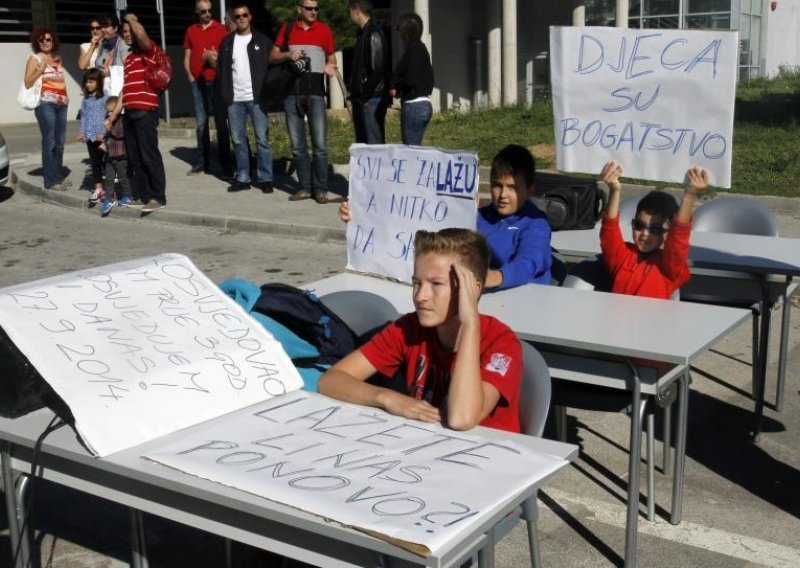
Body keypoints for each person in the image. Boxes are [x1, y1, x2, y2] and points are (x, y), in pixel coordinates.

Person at [319, 228, 523, 433]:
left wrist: (470, 324)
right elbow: (331, 381)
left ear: (472, 290)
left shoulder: (502, 343)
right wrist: (387, 398)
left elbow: (461, 419)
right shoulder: (409, 328)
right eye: (417, 283)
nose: (420, 296)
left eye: (436, 284)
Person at [339, 144, 553, 289]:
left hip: (522, 304)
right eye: (497, 186)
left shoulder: (536, 224)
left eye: (513, 188)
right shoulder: (477, 217)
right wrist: (364, 217)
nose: (503, 195)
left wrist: (491, 277)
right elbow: (426, 230)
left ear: (530, 190)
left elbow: (528, 263)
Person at [599, 160, 708, 299]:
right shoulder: (622, 256)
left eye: (655, 230)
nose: (645, 234)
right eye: (639, 226)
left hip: (652, 320)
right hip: (616, 319)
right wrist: (615, 190)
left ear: (667, 231)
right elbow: (609, 229)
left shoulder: (670, 266)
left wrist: (690, 194)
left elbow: (679, 237)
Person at [272, 0, 338, 205]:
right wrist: (287, 54)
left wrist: (330, 66)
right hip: (291, 94)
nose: (314, 12)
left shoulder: (324, 30)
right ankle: (305, 187)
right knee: (298, 146)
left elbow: (332, 58)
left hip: (316, 94)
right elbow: (273, 56)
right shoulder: (288, 28)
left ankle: (320, 189)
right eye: (309, 8)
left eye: (316, 8)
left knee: (320, 146)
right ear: (299, 9)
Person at [106, 14, 167, 213]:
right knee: (135, 158)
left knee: (149, 156)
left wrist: (131, 18)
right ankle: (144, 195)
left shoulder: (149, 51)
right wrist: (113, 116)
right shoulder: (130, 58)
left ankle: (158, 197)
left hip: (145, 112)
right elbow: (125, 91)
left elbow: (141, 33)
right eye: (124, 32)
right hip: (130, 114)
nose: (128, 34)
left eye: (130, 31)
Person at [216, 3, 274, 194]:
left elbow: (272, 67)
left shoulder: (263, 41)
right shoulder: (227, 43)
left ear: (250, 17)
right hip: (235, 99)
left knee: (262, 139)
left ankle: (265, 178)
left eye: (244, 15)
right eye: (237, 16)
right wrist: (225, 94)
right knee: (239, 140)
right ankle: (243, 177)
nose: (241, 18)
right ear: (233, 19)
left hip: (256, 98)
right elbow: (222, 71)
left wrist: (267, 91)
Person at [183, 0, 232, 177]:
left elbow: (228, 54)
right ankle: (202, 162)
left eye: (209, 11)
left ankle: (226, 163)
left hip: (217, 81)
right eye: (203, 11)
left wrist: (215, 57)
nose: (207, 14)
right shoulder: (191, 30)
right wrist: (190, 76)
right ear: (197, 12)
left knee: (221, 123)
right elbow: (187, 55)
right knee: (201, 124)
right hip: (198, 83)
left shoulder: (221, 29)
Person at [25, 28, 70, 191]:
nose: (45, 42)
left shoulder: (57, 58)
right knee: (50, 141)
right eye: (41, 40)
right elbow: (28, 82)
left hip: (61, 104)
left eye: (48, 39)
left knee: (60, 143)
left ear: (53, 41)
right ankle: (50, 181)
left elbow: (60, 80)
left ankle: (58, 177)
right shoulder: (34, 58)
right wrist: (40, 68)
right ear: (37, 42)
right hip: (45, 104)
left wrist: (67, 97)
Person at [347, 0, 390, 144]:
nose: (350, 15)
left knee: (374, 145)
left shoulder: (373, 34)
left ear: (357, 11)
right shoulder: (364, 33)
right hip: (365, 98)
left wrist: (364, 96)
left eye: (350, 11)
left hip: (372, 99)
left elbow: (377, 69)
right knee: (364, 144)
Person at [390, 13, 433, 146]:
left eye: (399, 30)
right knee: (414, 147)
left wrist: (397, 89)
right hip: (421, 104)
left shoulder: (415, 50)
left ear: (406, 32)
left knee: (411, 150)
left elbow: (410, 79)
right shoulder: (419, 49)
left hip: (415, 105)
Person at [98, 96, 134, 217]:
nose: (109, 113)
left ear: (118, 110)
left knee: (123, 178)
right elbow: (109, 136)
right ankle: (109, 198)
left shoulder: (122, 121)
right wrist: (103, 139)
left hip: (121, 156)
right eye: (107, 111)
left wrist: (109, 127)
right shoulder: (109, 120)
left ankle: (128, 196)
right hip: (110, 155)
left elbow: (120, 135)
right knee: (108, 178)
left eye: (112, 111)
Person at [77, 68, 108, 203]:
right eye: (86, 82)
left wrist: (105, 134)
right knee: (95, 163)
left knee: (108, 163)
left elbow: (109, 116)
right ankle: (99, 190)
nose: (88, 85)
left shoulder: (105, 98)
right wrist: (82, 132)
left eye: (91, 82)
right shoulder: (85, 100)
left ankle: (112, 189)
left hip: (103, 137)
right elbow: (83, 117)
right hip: (90, 137)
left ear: (99, 82)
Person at [94, 14, 130, 96]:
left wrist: (110, 71)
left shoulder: (123, 45)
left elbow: (130, 69)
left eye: (106, 26)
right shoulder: (102, 45)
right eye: (102, 27)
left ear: (115, 28)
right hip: (102, 91)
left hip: (117, 92)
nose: (103, 29)